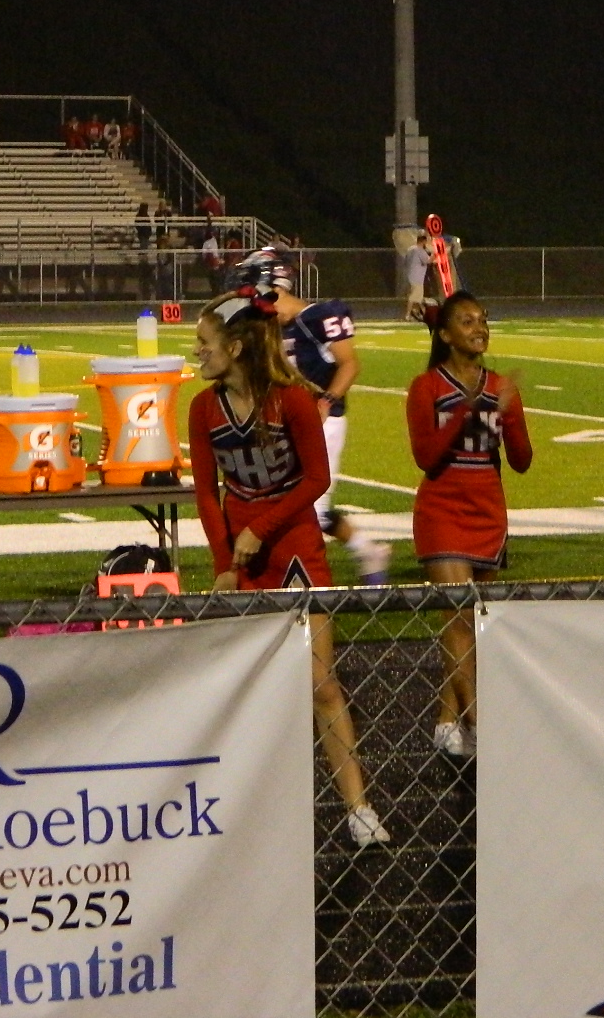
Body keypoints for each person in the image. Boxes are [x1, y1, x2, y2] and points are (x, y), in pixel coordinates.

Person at [188, 294, 389, 847]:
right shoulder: (203, 408)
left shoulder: (293, 399)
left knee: (321, 683)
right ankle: (245, 814)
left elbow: (316, 479)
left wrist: (261, 527)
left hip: (294, 547)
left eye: (204, 343)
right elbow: (206, 493)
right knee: (249, 687)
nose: (197, 353)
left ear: (235, 348)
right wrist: (224, 562)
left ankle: (359, 808)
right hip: (242, 557)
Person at [407, 292, 531, 759]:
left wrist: (509, 412)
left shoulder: (499, 384)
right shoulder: (426, 387)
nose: (479, 328)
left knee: (471, 627)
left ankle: (447, 719)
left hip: (487, 511)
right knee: (458, 618)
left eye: (482, 320)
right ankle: (479, 723)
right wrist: (470, 407)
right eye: (467, 321)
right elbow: (426, 457)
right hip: (442, 510)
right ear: (445, 334)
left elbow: (521, 461)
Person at [238, 250, 393, 584]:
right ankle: (364, 551)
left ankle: (343, 561)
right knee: (283, 500)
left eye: (252, 290)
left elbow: (349, 364)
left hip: (325, 421)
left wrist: (326, 400)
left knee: (312, 508)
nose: (249, 300)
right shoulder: (269, 327)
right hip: (288, 424)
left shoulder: (319, 317)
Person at [403, 232, 432, 320]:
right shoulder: (420, 250)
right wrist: (435, 255)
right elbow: (427, 261)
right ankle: (408, 315)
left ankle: (419, 313)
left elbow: (406, 261)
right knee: (413, 297)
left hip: (409, 275)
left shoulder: (410, 249)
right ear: (423, 241)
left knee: (418, 298)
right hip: (417, 277)